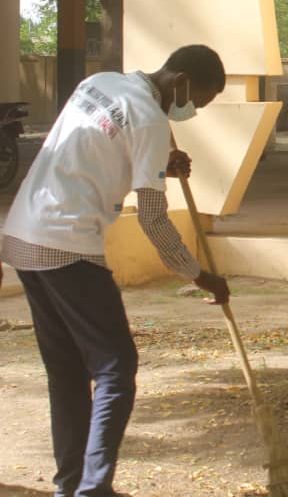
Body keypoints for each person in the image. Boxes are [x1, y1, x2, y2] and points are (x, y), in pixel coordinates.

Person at [0, 44, 231, 497]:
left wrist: (160, 162)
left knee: (66, 370)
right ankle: (93, 489)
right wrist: (197, 273)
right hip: (64, 246)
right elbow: (152, 216)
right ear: (181, 81)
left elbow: (92, 147)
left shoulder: (100, 83)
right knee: (115, 368)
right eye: (197, 101)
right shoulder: (149, 119)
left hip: (24, 234)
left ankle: (72, 484)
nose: (192, 111)